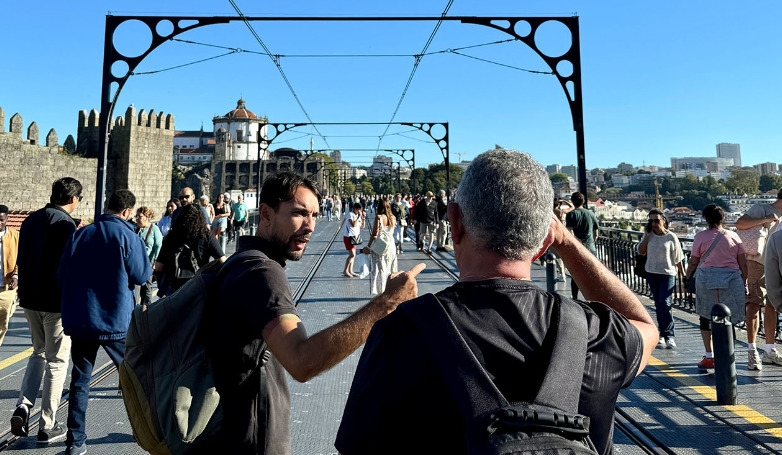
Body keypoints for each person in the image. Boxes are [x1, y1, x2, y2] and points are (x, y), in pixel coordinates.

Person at [335, 149, 656, 455]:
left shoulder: (400, 333)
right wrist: (567, 242)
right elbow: (644, 326)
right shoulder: (593, 333)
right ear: (545, 240)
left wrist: (386, 306)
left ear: (455, 221)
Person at [199, 172, 423, 454]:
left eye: (314, 215)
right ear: (265, 213)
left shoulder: (240, 261)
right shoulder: (262, 272)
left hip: (226, 433)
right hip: (247, 440)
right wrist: (386, 303)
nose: (310, 226)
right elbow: (302, 361)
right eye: (298, 214)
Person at [57, 189, 151, 455]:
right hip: (115, 321)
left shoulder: (80, 234)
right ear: (127, 212)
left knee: (80, 381)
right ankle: (147, 431)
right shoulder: (128, 236)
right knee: (136, 379)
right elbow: (142, 274)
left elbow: (61, 275)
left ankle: (75, 442)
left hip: (83, 320)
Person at [11, 177, 82, 443]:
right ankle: (47, 424)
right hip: (55, 303)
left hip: (29, 299)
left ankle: (23, 405)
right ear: (73, 199)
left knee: (38, 353)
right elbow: (69, 265)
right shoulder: (65, 224)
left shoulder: (30, 220)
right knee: (57, 360)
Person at [684, 204, 747, 372]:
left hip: (706, 279)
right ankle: (728, 354)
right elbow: (743, 263)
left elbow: (693, 261)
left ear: (706, 219)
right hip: (731, 279)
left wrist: (687, 276)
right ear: (723, 218)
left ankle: (709, 355)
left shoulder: (700, 237)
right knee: (729, 318)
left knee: (705, 315)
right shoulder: (734, 236)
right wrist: (744, 281)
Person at [735, 190, 782, 369]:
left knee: (773, 305)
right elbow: (740, 223)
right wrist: (766, 220)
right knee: (754, 304)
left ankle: (769, 349)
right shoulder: (761, 209)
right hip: (759, 263)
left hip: (777, 266)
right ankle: (752, 351)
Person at [637, 209, 685, 349]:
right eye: (650, 221)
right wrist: (646, 235)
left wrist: (684, 275)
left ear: (663, 220)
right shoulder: (649, 235)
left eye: (656, 220)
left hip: (668, 273)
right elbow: (641, 251)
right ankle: (662, 334)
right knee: (658, 303)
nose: (653, 223)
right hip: (652, 272)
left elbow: (678, 258)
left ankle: (669, 334)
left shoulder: (671, 237)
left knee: (665, 302)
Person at [154, 203, 226, 296]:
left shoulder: (172, 236)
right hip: (199, 285)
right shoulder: (206, 236)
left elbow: (159, 266)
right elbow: (223, 261)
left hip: (175, 287)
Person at [565, 191, 599, 299]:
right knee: (591, 274)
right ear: (583, 201)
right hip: (590, 247)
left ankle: (575, 298)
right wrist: (592, 242)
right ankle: (591, 297)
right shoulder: (591, 214)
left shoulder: (571, 215)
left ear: (572, 201)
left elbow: (570, 232)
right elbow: (596, 233)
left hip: (577, 249)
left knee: (576, 274)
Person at [365, 198, 398, 295]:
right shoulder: (393, 217)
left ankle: (381, 291)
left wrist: (368, 246)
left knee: (381, 269)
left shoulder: (379, 217)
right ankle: (391, 289)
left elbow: (374, 234)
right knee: (390, 268)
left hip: (381, 245)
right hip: (391, 245)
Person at [0, 205, 19, 347]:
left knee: (2, 324)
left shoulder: (15, 236)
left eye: (1, 220)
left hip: (6, 289)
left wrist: (16, 276)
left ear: (7, 219)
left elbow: (22, 259)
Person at [135, 206, 163, 305]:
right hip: (137, 261)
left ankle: (146, 308)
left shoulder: (154, 229)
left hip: (149, 261)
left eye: (140, 216)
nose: (137, 219)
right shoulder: (136, 230)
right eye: (136, 216)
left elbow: (158, 246)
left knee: (147, 287)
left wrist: (155, 262)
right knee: (136, 286)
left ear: (147, 217)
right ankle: (136, 309)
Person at [342, 202, 366, 277]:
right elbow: (353, 224)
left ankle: (350, 270)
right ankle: (345, 270)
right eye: (359, 210)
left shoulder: (357, 215)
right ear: (355, 209)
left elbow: (362, 226)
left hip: (355, 237)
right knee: (352, 254)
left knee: (353, 255)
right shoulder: (350, 215)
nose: (360, 211)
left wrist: (363, 218)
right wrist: (358, 216)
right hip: (348, 237)